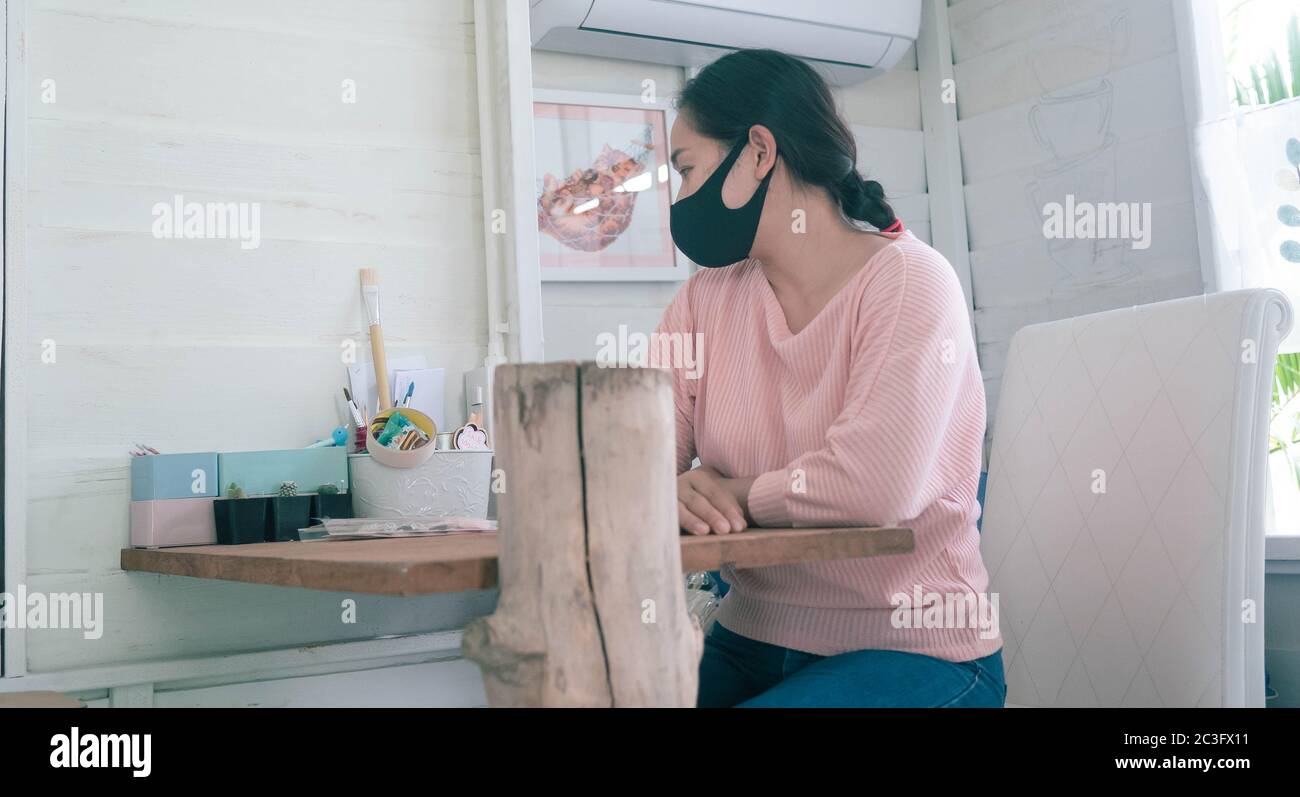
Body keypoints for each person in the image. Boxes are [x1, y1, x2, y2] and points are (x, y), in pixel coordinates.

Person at [655, 49, 1006, 708]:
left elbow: (873, 486)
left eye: (688, 169)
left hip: (916, 648)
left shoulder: (909, 282)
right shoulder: (706, 298)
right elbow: (632, 457)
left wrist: (724, 491)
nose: (682, 199)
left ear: (759, 152)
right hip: (750, 638)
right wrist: (668, 488)